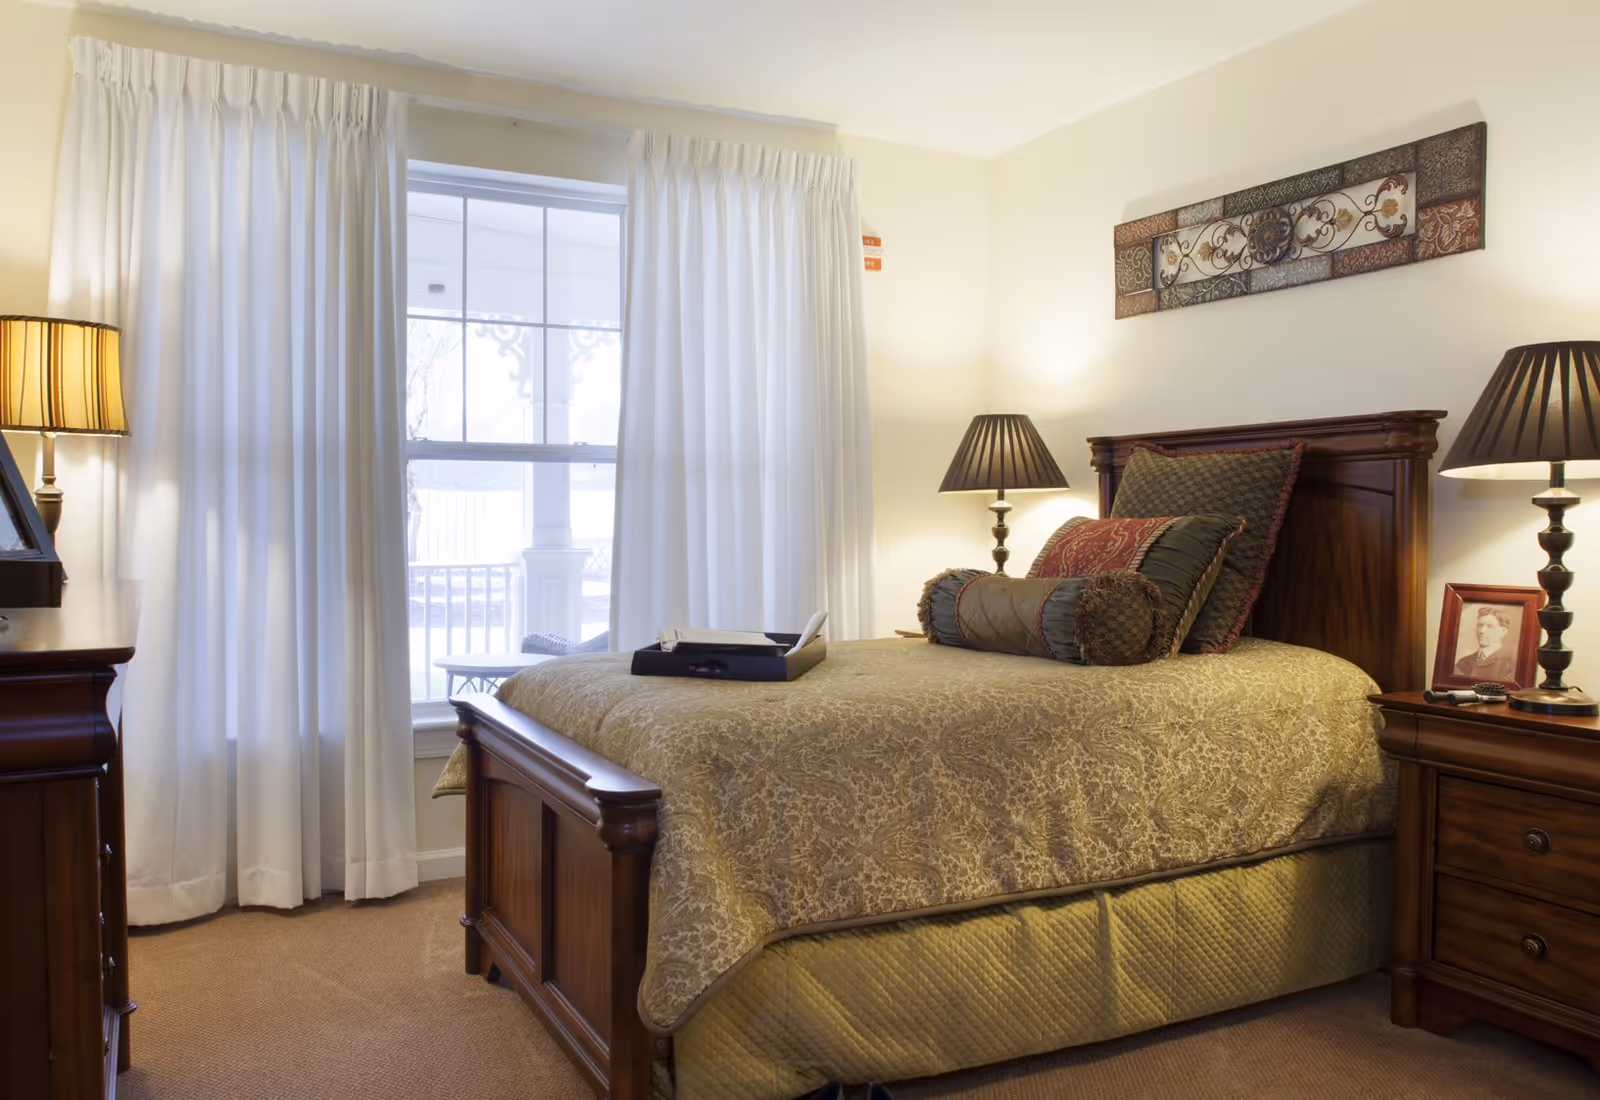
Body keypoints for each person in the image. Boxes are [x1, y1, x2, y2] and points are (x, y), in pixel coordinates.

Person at [1455, 605, 1517, 681]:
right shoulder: (1463, 663)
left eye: (1489, 626)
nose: (1482, 631)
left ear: (1503, 631)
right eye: (1480, 625)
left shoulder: (1512, 665)